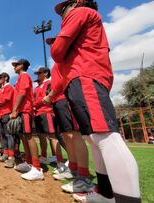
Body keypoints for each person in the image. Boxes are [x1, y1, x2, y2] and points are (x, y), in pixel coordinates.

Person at [50, 0, 140, 202]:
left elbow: (57, 52)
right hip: (84, 77)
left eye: (63, 9)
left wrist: (58, 48)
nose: (62, 15)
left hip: (85, 75)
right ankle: (105, 194)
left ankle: (127, 199)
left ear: (76, 2)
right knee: (94, 138)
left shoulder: (80, 10)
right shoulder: (85, 15)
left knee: (105, 137)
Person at [10, 59, 43, 180]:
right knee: (24, 137)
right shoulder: (20, 78)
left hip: (25, 109)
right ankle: (29, 163)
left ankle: (37, 168)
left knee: (29, 136)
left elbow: (22, 93)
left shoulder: (24, 76)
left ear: (22, 66)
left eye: (16, 64)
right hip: (20, 110)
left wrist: (14, 110)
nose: (14, 66)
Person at [0, 73, 16, 167]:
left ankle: (11, 157)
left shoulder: (9, 87)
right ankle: (5, 154)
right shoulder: (1, 89)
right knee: (3, 135)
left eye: (1, 77)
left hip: (7, 113)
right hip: (0, 114)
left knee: (8, 135)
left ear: (6, 78)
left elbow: (5, 99)